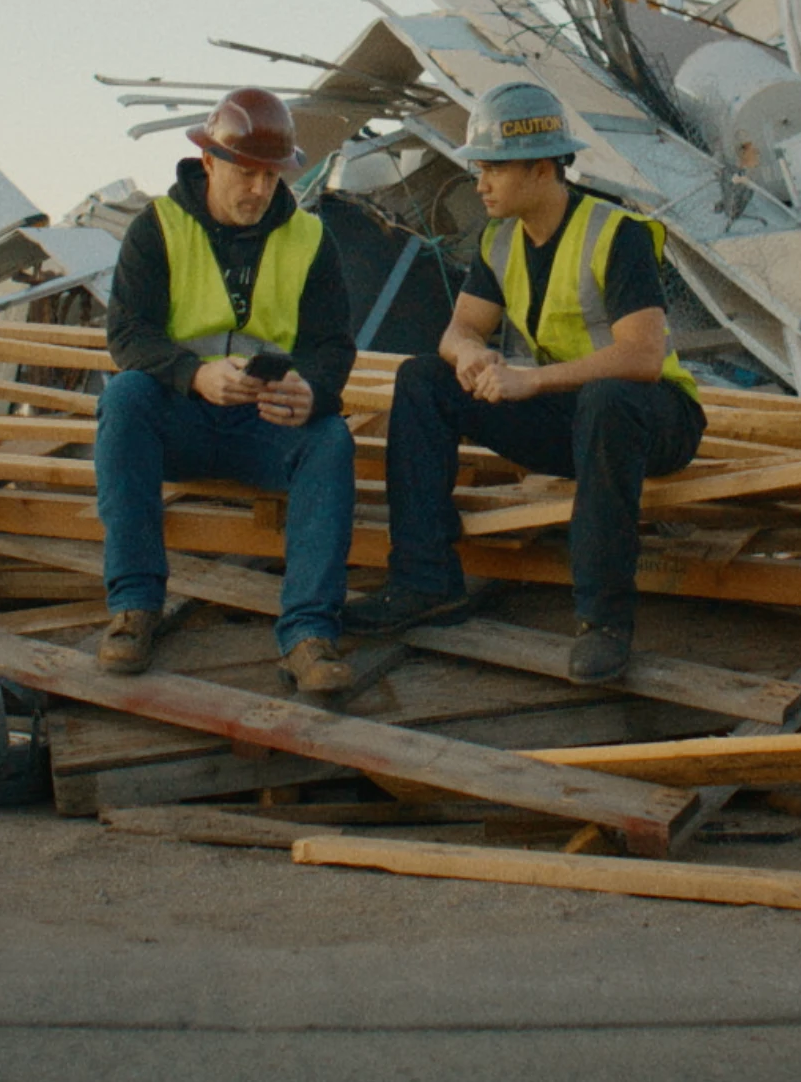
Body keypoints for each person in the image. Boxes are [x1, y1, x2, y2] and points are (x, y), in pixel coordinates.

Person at [342, 81, 703, 683]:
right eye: (479, 168)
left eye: (493, 170)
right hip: (570, 416)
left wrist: (531, 382)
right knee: (423, 380)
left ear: (541, 169)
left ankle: (604, 622)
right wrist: (470, 358)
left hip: (652, 420)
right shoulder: (500, 238)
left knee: (608, 398)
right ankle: (424, 580)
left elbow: (641, 358)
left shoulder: (619, 234)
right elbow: (458, 330)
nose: (479, 184)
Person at [96, 86, 360, 694]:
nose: (260, 190)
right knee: (125, 399)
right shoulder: (157, 228)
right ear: (209, 161)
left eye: (272, 176)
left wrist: (311, 391)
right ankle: (135, 607)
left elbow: (332, 346)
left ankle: (309, 635)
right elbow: (127, 333)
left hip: (265, 423)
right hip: (182, 417)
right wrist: (192, 374)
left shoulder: (311, 238)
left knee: (331, 441)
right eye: (246, 172)